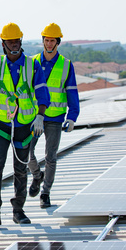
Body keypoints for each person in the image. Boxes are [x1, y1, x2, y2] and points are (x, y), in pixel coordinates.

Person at [0, 22, 50, 226]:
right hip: (2, 126)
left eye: (16, 41)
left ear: (21, 42)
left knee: (20, 169)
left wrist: (40, 115)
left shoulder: (32, 66)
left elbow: (43, 93)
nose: (14, 45)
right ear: (3, 44)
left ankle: (18, 211)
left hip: (24, 126)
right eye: (10, 42)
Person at [27, 23, 80, 208]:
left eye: (52, 41)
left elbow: (72, 91)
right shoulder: (31, 62)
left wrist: (72, 117)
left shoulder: (66, 65)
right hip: (34, 117)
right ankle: (36, 176)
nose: (49, 44)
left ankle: (45, 193)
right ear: (43, 41)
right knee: (26, 152)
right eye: (46, 40)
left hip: (56, 118)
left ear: (58, 42)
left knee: (51, 157)